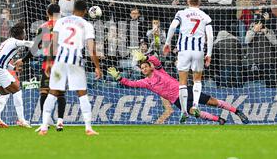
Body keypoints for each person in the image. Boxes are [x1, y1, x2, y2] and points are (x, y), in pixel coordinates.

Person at [107, 54, 249, 124]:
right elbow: (131, 84)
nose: (144, 69)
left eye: (145, 66)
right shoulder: (145, 82)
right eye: (142, 68)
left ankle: (237, 112)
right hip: (177, 100)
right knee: (194, 112)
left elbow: (156, 60)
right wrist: (119, 78)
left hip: (186, 90)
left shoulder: (159, 71)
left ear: (150, 67)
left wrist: (145, 57)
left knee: (213, 102)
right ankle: (218, 120)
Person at [39, 0, 102, 136]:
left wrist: (49, 62)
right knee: (82, 94)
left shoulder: (61, 21)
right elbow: (91, 49)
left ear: (73, 9)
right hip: (75, 62)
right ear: (85, 11)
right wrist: (97, 67)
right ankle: (88, 128)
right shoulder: (87, 25)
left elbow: (53, 43)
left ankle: (44, 127)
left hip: (59, 61)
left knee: (53, 93)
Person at [163, 0, 214, 123]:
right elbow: (210, 36)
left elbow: (173, 26)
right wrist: (209, 53)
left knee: (182, 82)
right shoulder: (205, 16)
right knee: (197, 80)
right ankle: (196, 105)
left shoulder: (181, 13)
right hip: (198, 51)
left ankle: (185, 110)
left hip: (184, 51)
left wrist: (167, 42)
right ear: (200, 2)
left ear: (188, 0)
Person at [20, 4, 67, 131]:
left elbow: (34, 49)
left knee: (44, 91)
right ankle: (60, 121)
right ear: (59, 12)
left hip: (48, 63)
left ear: (47, 13)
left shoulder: (43, 27)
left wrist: (23, 60)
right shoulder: (65, 26)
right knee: (60, 93)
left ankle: (45, 121)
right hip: (63, 62)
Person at [0, 22, 33, 128]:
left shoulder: (6, 42)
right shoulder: (15, 42)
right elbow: (30, 44)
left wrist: (13, 68)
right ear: (20, 34)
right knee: (17, 90)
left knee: (5, 94)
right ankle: (21, 120)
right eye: (24, 33)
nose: (24, 35)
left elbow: (3, 61)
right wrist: (40, 42)